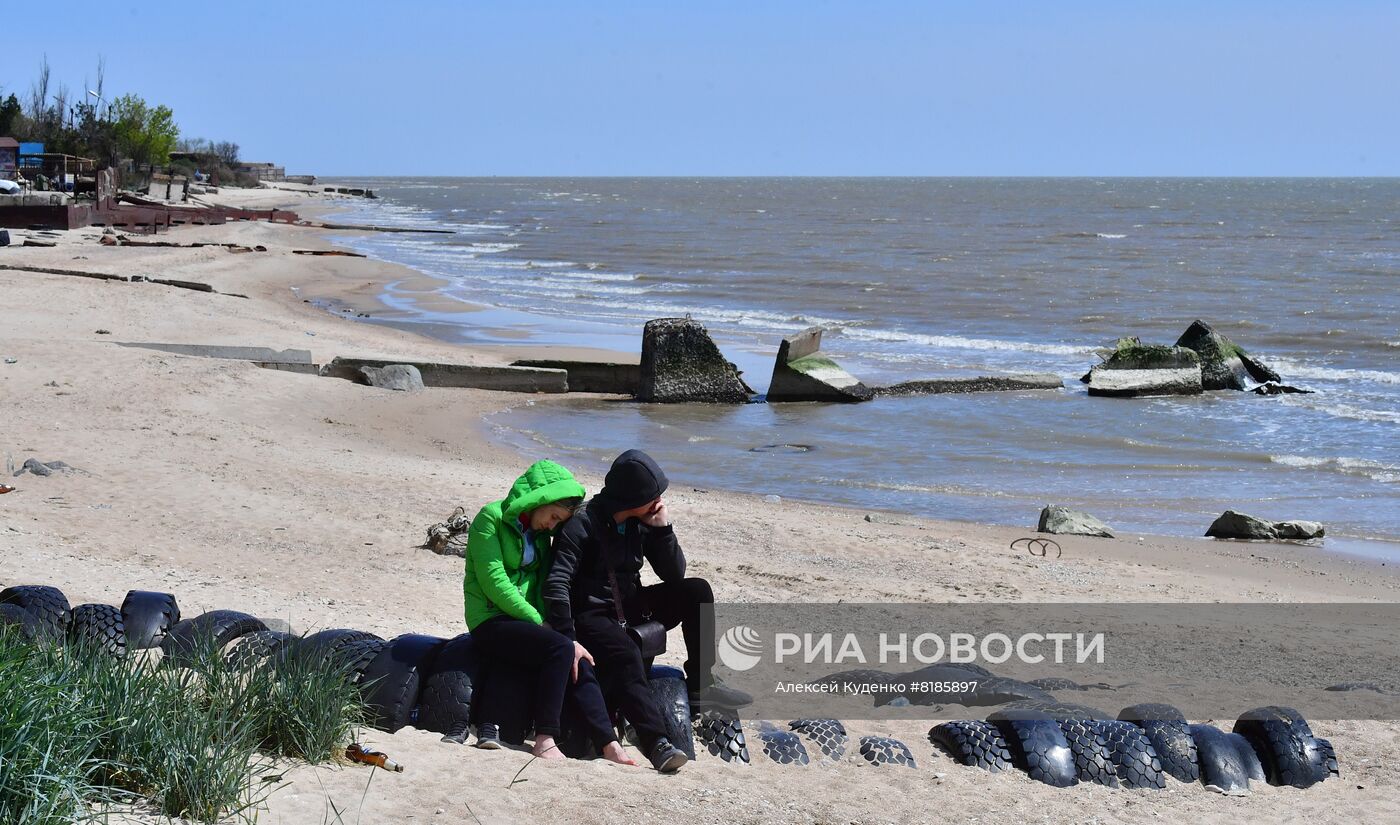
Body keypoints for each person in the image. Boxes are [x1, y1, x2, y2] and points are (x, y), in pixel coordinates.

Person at [545, 449, 752, 774]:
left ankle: (701, 685)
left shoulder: (642, 522)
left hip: (629, 603)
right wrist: (567, 639)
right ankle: (656, 742)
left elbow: (674, 575)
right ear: (631, 498)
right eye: (653, 495)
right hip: (591, 614)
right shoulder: (582, 525)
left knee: (697, 591)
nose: (659, 500)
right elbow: (556, 582)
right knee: (626, 653)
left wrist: (661, 529)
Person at [461, 459, 635, 766]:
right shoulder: (490, 518)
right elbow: (494, 582)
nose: (552, 526)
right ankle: (545, 738)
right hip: (490, 620)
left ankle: (607, 741)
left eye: (558, 522)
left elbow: (542, 585)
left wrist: (555, 626)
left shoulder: (539, 536)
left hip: (526, 621)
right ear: (538, 499)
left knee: (579, 654)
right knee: (561, 648)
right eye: (553, 516)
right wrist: (541, 624)